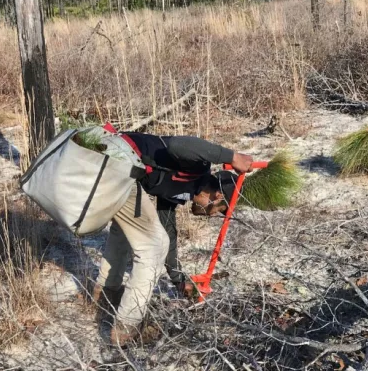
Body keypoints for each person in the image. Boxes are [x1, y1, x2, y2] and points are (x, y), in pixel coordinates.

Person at [92, 131, 253, 345]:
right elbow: (178, 144)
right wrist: (231, 156)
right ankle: (127, 329)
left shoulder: (180, 189)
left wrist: (179, 280)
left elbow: (168, 231)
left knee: (126, 229)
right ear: (216, 196)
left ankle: (103, 296)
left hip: (116, 168)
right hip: (115, 160)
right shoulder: (197, 168)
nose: (213, 215)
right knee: (154, 246)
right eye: (218, 210)